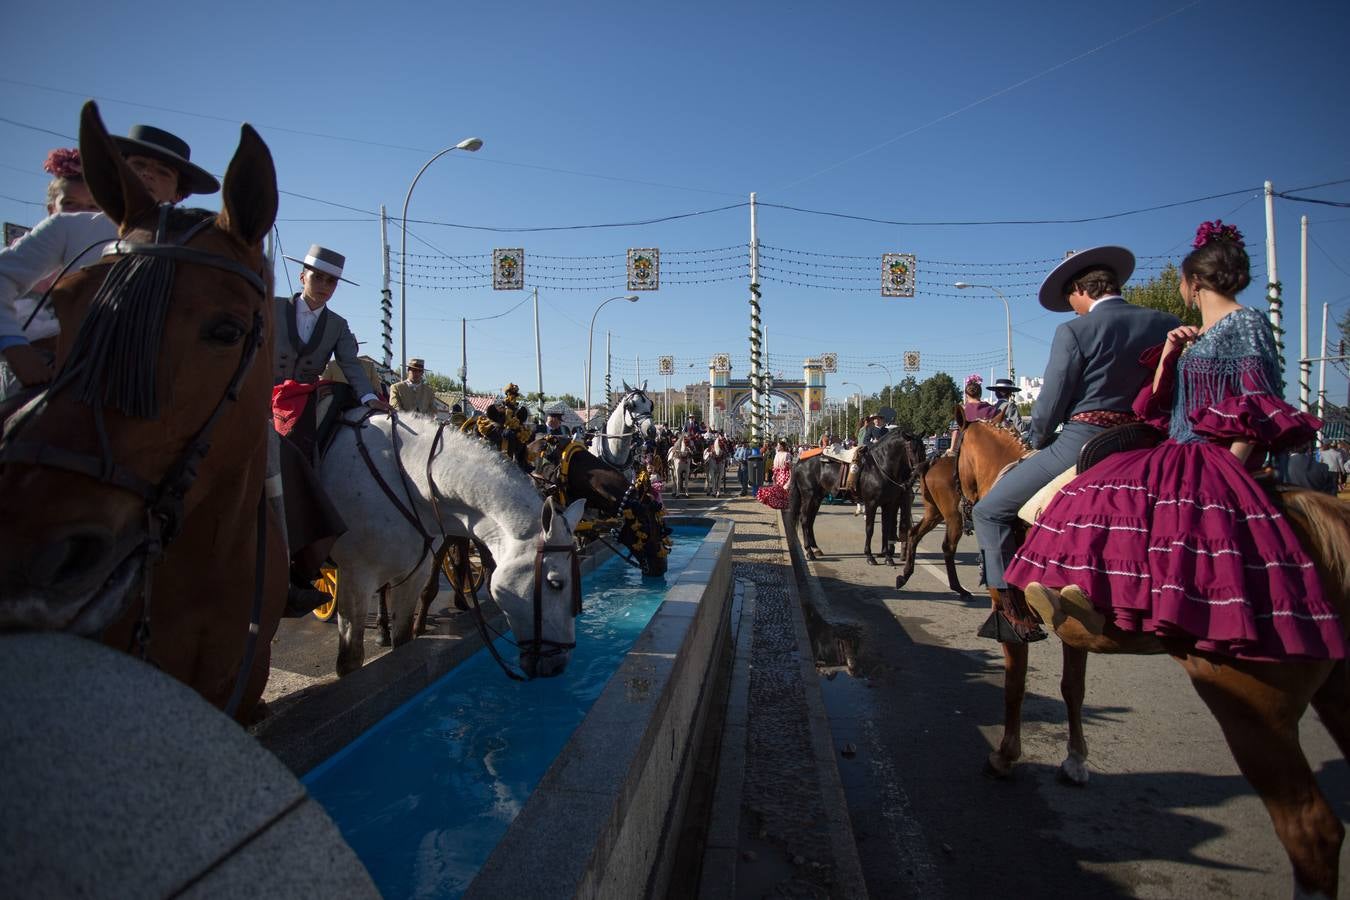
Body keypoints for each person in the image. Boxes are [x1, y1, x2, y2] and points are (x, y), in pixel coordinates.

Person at [1009, 221, 1344, 661]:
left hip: (1210, 453)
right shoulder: (1189, 332)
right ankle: (1088, 598)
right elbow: (1161, 406)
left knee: (1126, 501)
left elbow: (1255, 401)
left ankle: (1111, 608)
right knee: (1093, 493)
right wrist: (1169, 354)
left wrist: (1231, 469)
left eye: (1183, 281)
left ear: (1193, 283)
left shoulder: (1246, 324)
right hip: (1177, 444)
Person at [971, 245, 1178, 642]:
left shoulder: (1075, 331)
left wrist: (1038, 438)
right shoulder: (1165, 322)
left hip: (1084, 442)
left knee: (989, 510)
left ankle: (1011, 612)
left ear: (1081, 290)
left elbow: (1050, 404)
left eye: (1071, 300)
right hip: (1149, 444)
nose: (1071, 308)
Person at [0, 124, 218, 392]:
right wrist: (13, 344)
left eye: (163, 172)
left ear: (177, 193)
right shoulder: (68, 227)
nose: (148, 174)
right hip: (59, 374)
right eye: (138, 164)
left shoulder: (198, 253)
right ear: (117, 173)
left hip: (152, 385)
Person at [274, 244, 389, 457]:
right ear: (302, 278)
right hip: (263, 393)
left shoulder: (338, 325)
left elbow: (351, 364)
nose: (324, 285)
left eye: (331, 281)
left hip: (303, 402)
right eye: (317, 277)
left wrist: (368, 397)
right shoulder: (272, 307)